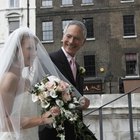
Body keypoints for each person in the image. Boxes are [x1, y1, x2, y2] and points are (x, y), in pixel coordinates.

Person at [0, 27, 63, 140]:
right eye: (29, 48)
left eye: (35, 49)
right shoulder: (10, 79)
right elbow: (3, 122)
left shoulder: (26, 81)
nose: (34, 54)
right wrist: (41, 119)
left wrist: (49, 112)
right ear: (17, 50)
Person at [39, 20, 97, 140]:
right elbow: (41, 97)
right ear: (62, 37)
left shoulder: (79, 67)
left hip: (73, 132)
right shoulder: (48, 60)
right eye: (68, 36)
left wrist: (82, 102)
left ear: (83, 42)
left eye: (76, 38)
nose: (71, 41)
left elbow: (74, 98)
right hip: (53, 132)